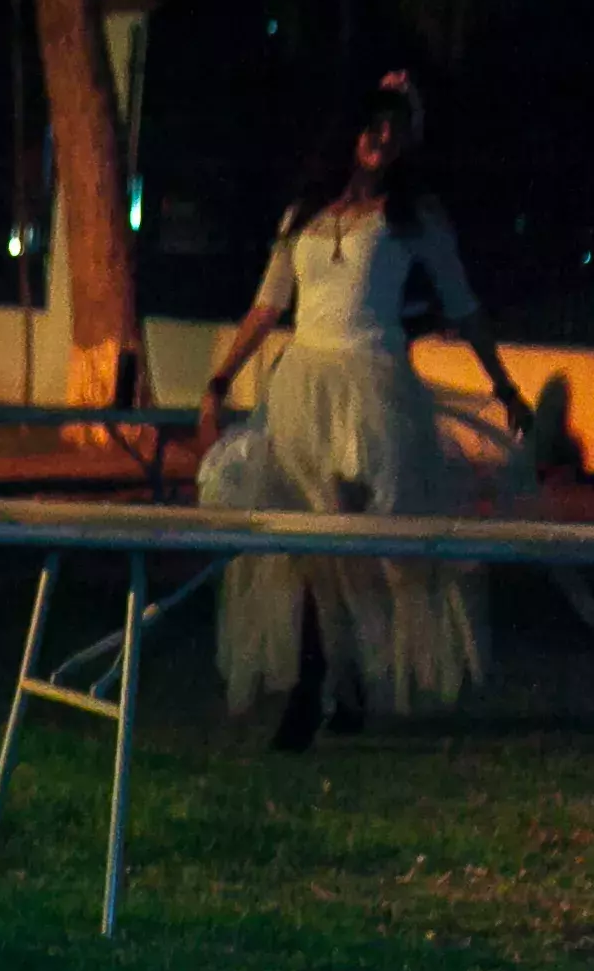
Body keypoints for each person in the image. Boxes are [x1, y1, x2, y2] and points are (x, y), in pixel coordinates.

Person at [196, 73, 536, 751]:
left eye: (395, 128)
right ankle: (324, 685)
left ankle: (326, 683)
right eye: (371, 124)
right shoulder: (304, 215)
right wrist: (218, 382)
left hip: (371, 391)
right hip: (300, 387)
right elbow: (268, 305)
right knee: (310, 546)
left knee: (355, 543)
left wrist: (503, 386)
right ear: (349, 132)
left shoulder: (412, 219)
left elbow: (462, 305)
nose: (381, 138)